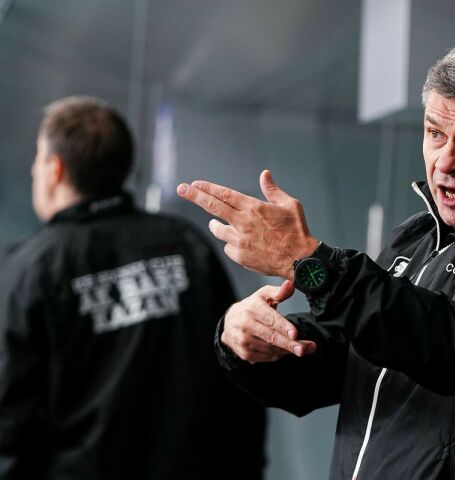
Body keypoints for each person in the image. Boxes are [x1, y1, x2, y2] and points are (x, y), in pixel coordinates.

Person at [178, 34, 455, 479]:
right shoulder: (414, 238)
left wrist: (308, 262)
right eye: (435, 134)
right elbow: (343, 361)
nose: (446, 161)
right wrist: (250, 342)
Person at [0, 96, 266, 479]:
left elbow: (9, 418)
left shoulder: (27, 271)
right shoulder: (185, 244)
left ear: (54, 169)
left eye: (37, 159)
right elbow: (239, 372)